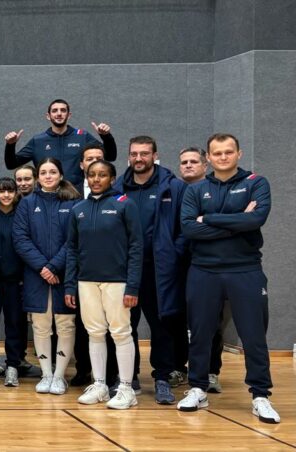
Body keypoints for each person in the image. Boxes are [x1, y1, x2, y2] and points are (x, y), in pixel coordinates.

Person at [178, 133, 279, 424]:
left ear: (238, 154)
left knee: (253, 335)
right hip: (203, 270)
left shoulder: (256, 183)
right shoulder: (196, 190)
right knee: (200, 334)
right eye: (217, 153)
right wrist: (238, 220)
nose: (223, 157)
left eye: (228, 152)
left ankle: (260, 395)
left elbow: (256, 220)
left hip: (245, 269)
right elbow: (189, 229)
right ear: (208, 158)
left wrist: (208, 218)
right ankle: (198, 388)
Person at [111, 135, 190, 404]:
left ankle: (162, 378)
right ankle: (129, 377)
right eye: (134, 154)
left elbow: (185, 226)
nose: (139, 158)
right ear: (128, 157)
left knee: (162, 326)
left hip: (160, 270)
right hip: (125, 271)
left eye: (144, 153)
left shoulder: (174, 187)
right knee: (126, 326)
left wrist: (174, 253)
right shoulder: (118, 188)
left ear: (155, 156)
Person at [65, 160, 142, 410]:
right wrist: (70, 285)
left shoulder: (125, 205)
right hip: (86, 281)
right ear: (86, 178)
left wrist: (133, 286)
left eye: (102, 175)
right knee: (95, 332)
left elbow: (136, 247)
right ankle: (99, 385)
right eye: (92, 175)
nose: (96, 179)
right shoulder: (78, 209)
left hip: (117, 282)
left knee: (121, 333)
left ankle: (126, 389)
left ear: (112, 178)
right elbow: (72, 250)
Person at [13, 157, 81, 396]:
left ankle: (60, 376)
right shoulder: (27, 203)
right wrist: (43, 267)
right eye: (43, 172)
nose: (48, 176)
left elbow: (73, 240)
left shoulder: (73, 202)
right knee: (41, 325)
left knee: (65, 324)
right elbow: (20, 239)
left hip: (64, 274)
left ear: (60, 175)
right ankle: (46, 375)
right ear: (37, 177)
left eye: (53, 172)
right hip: (36, 275)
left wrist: (54, 266)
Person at [178, 147, 226, 393]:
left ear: (205, 165)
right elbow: (185, 228)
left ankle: (211, 371)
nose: (188, 165)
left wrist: (203, 224)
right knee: (177, 318)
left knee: (211, 321)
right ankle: (179, 368)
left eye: (193, 161)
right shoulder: (174, 191)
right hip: (179, 263)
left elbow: (228, 226)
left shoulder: (216, 191)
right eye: (184, 162)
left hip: (211, 263)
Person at [3, 99, 117, 188]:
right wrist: (10, 145)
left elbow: (110, 156)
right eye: (54, 111)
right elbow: (11, 164)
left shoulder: (82, 136)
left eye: (63, 110)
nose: (59, 113)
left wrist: (106, 136)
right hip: (47, 196)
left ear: (69, 115)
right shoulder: (38, 141)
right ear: (48, 116)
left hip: (76, 195)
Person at [0, 178, 27, 387]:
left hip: (15, 280)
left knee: (14, 325)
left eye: (10, 191)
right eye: (2, 191)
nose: (6, 195)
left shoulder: (21, 215)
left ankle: (12, 366)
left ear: (16, 193)